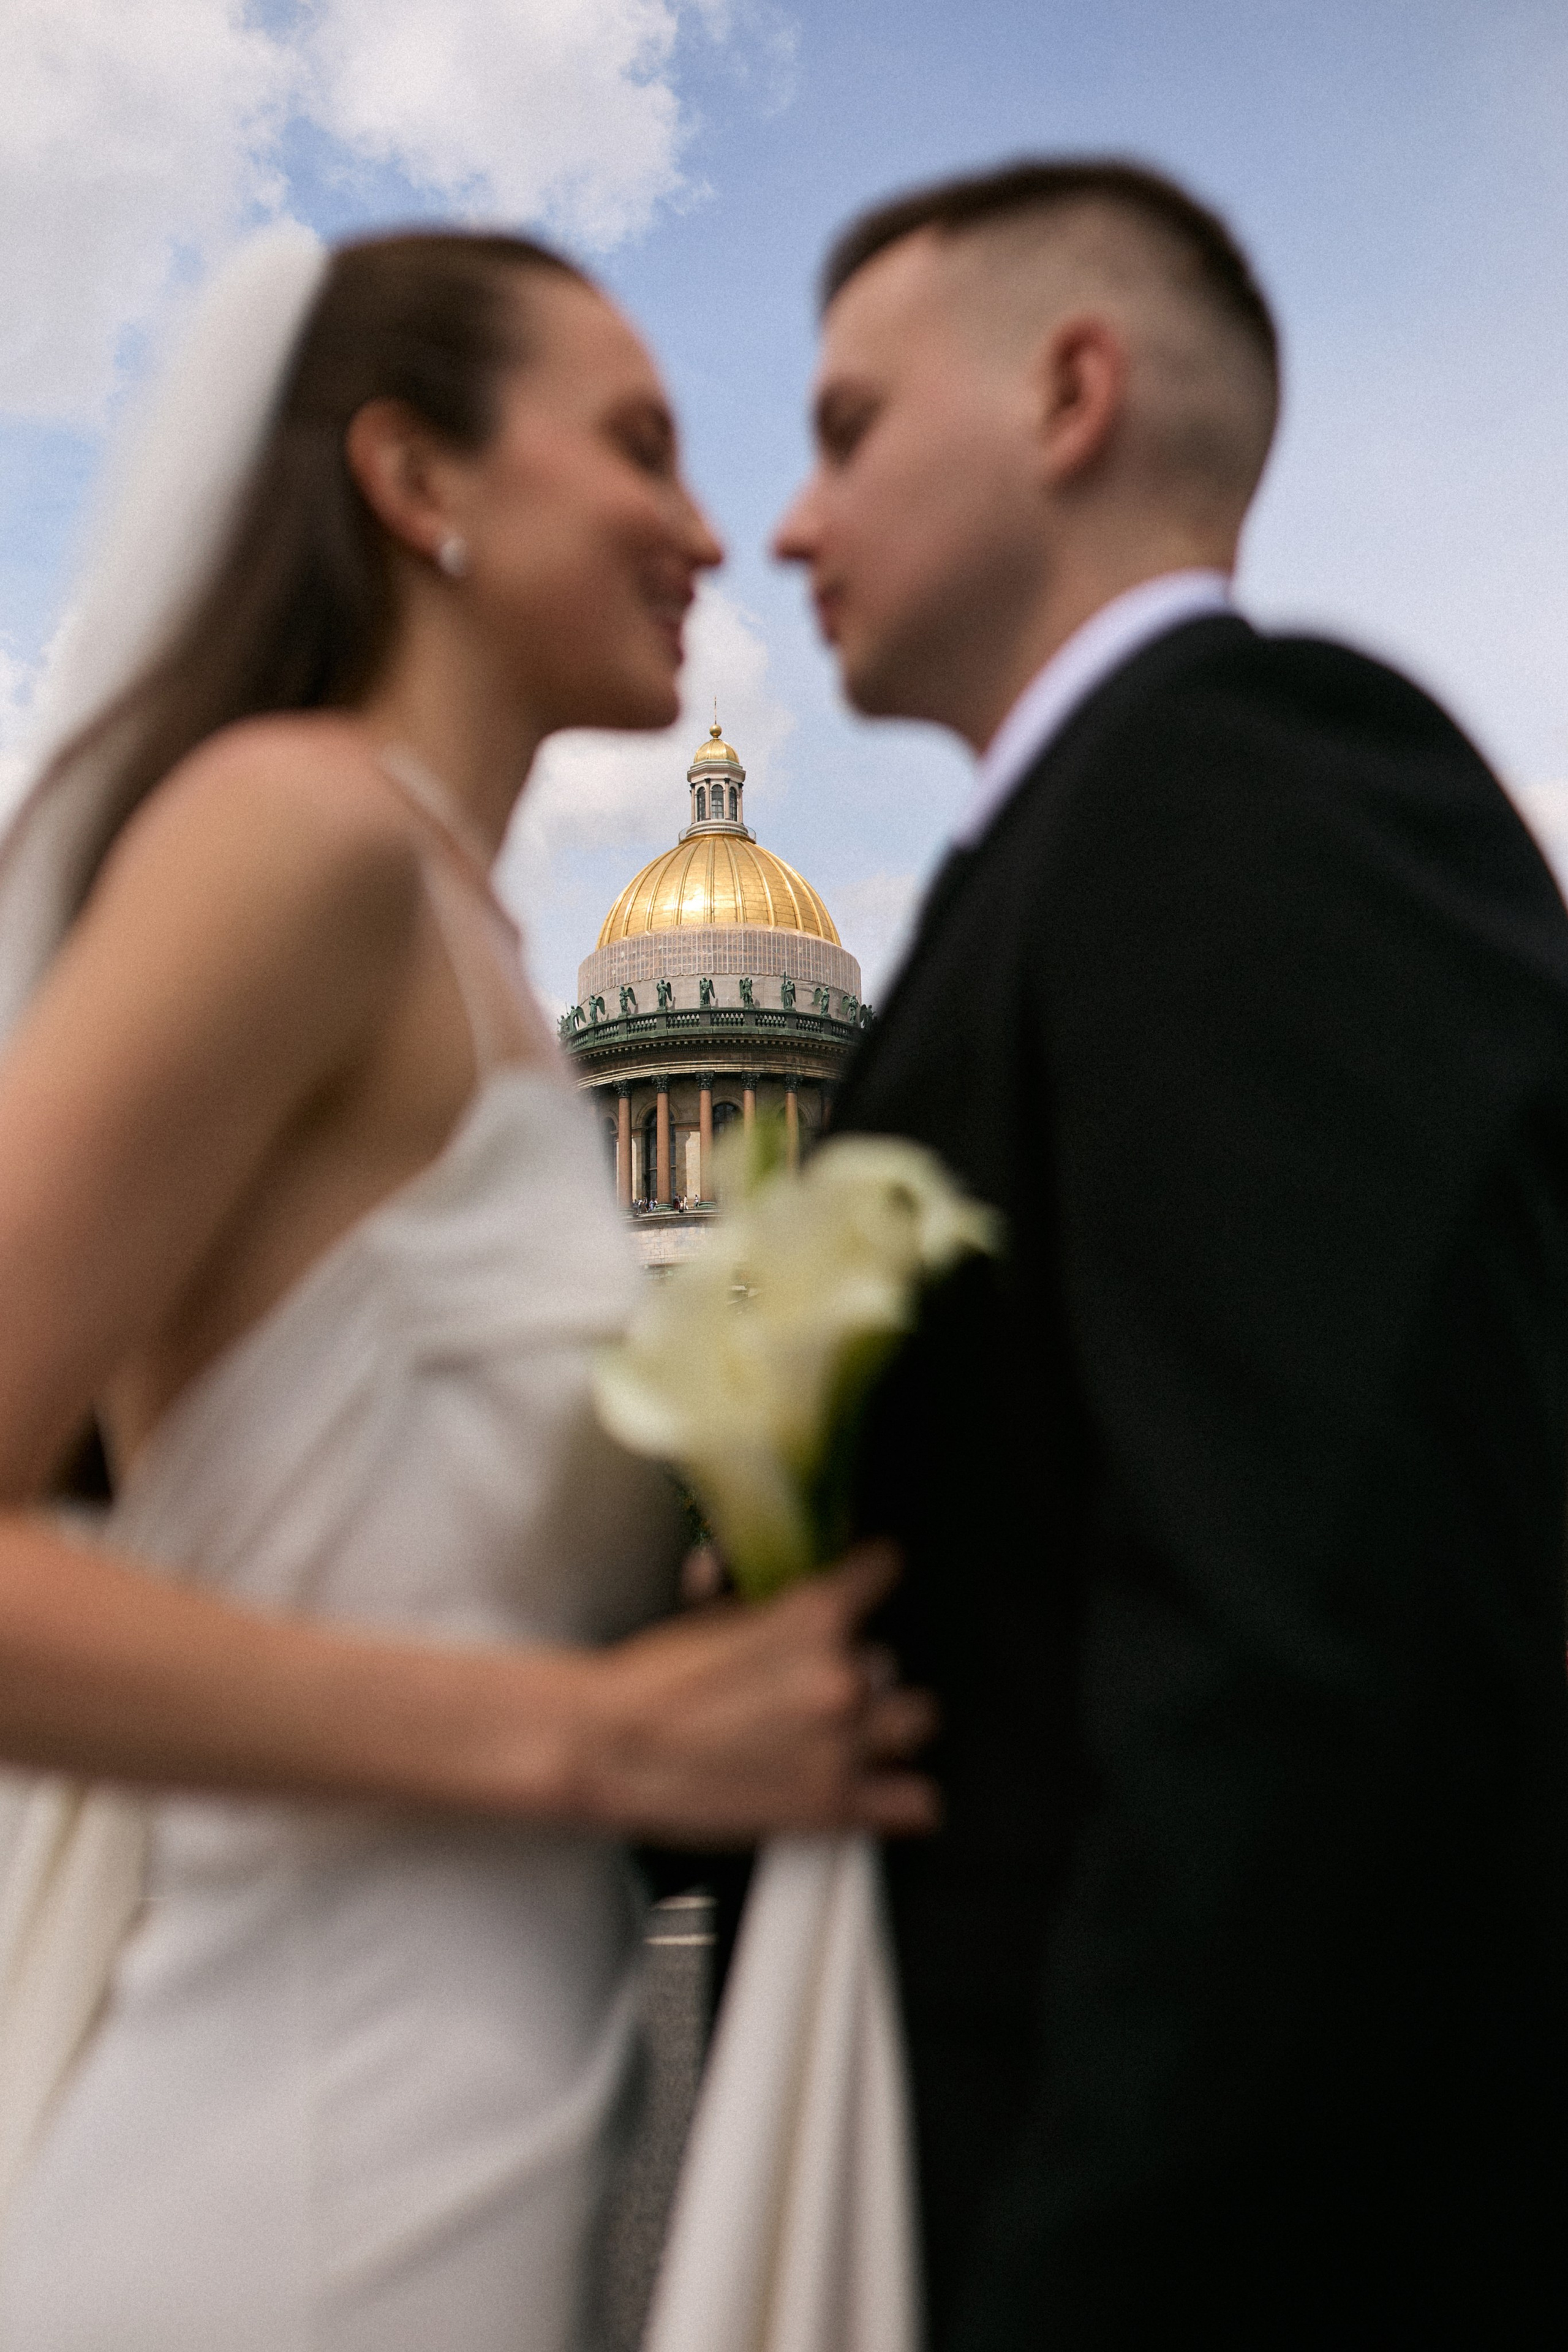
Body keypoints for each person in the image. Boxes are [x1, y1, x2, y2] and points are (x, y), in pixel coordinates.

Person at [0, 224, 936, 2350]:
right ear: (416, 480)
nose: (714, 526)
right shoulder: (294, 843)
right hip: (289, 2181)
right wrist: (584, 1735)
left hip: (468, 2161)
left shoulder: (478, 951)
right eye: (638, 445)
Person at [773, 158, 1568, 2345]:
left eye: (843, 429)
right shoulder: (1085, 839)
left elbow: (1315, 1658)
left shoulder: (1246, 778)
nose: (787, 525)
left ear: (1072, 392)